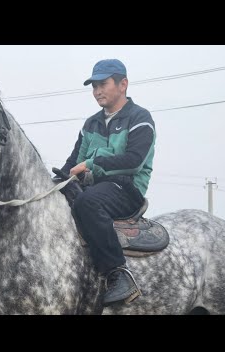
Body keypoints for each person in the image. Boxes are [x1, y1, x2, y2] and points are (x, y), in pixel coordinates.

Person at [59, 59, 156, 306]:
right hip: (94, 189)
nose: (97, 91)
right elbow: (73, 164)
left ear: (123, 84)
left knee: (86, 202)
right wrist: (54, 184)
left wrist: (91, 166)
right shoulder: (90, 123)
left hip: (126, 188)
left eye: (103, 84)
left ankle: (118, 274)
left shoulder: (140, 118)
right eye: (94, 86)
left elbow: (134, 161)